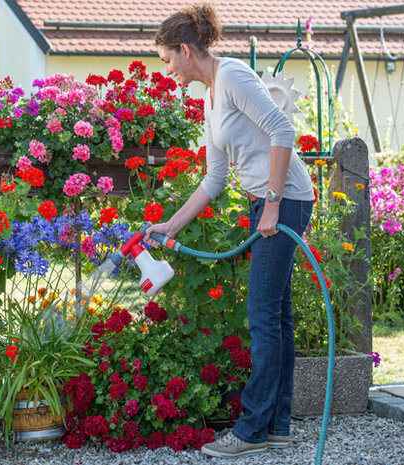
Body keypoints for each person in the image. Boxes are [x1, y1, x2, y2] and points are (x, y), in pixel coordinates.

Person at [145, 3, 315, 459]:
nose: (167, 71)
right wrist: (170, 225)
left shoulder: (234, 76)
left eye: (166, 60)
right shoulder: (209, 96)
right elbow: (213, 179)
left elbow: (282, 130)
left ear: (185, 49)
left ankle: (252, 431)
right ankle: (277, 426)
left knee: (262, 316)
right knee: (276, 317)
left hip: (288, 200)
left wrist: (273, 203)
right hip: (270, 203)